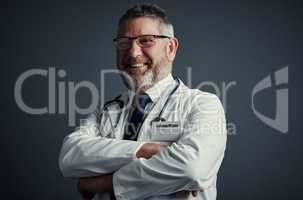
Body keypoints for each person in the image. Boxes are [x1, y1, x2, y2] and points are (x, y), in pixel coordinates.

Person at [59, 4, 227, 200]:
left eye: (146, 41)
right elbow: (69, 156)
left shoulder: (203, 105)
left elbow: (192, 168)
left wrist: (99, 183)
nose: (132, 53)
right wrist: (146, 150)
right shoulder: (106, 111)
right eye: (123, 42)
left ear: (171, 48)